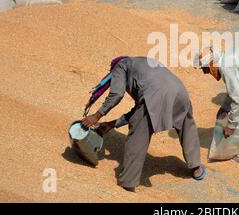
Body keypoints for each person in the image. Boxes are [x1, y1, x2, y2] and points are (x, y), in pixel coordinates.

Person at [82, 56, 206, 192]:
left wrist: (97, 115)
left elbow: (117, 94)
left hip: (157, 95)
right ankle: (196, 167)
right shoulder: (141, 63)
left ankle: (128, 181)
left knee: (137, 137)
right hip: (180, 92)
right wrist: (112, 124)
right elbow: (140, 109)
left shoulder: (120, 66)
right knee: (187, 127)